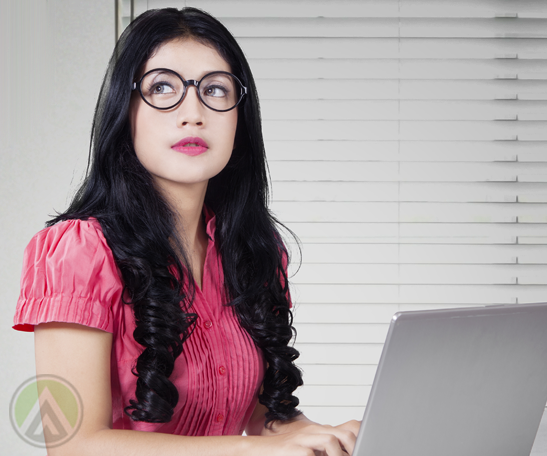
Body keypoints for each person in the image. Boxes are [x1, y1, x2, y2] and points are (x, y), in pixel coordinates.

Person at [13, 7, 359, 456]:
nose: (193, 113)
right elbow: (73, 445)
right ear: (126, 110)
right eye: (162, 87)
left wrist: (329, 436)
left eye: (215, 89)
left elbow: (261, 418)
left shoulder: (254, 250)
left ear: (240, 116)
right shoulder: (78, 251)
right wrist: (248, 451)